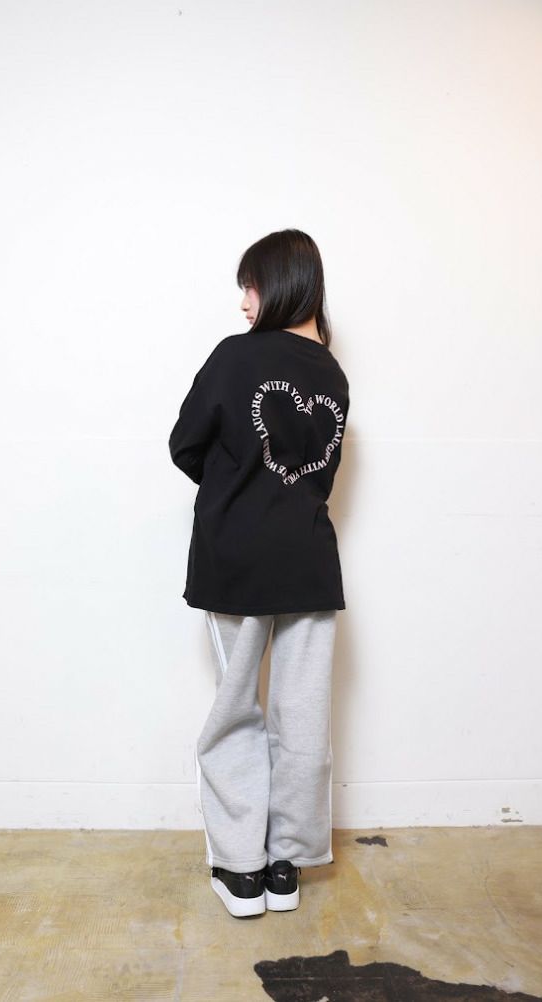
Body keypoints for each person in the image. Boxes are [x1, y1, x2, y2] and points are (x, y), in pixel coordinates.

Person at [168, 229, 351, 919]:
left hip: (237, 558)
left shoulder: (235, 355)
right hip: (309, 560)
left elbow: (185, 442)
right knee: (301, 716)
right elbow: (316, 475)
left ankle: (242, 869)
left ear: (279, 283)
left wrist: (235, 483)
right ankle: (286, 865)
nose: (244, 301)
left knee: (236, 709)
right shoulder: (333, 376)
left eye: (250, 285)